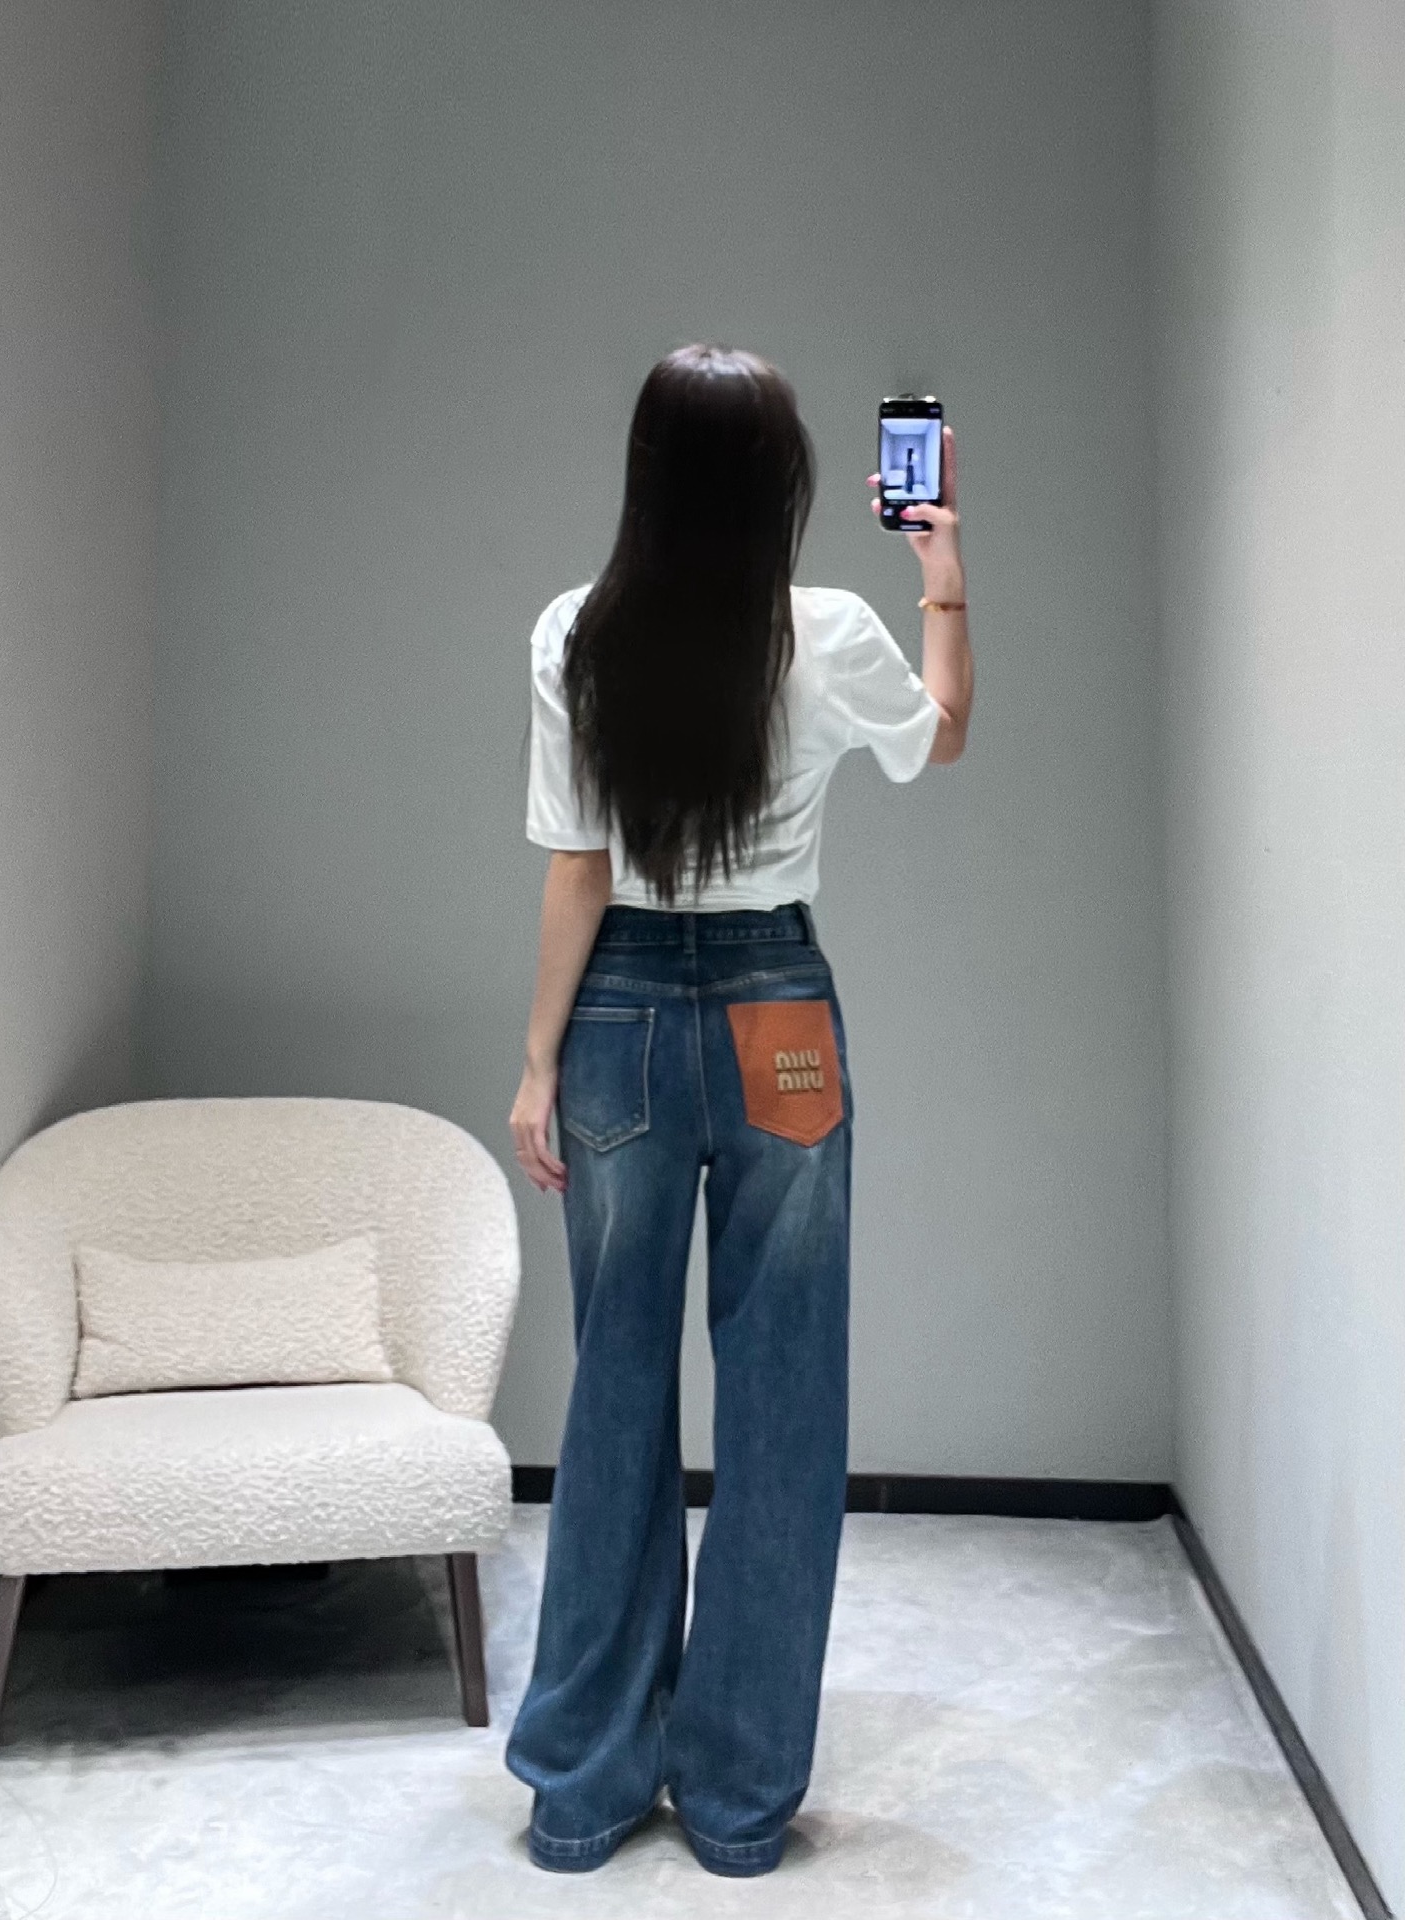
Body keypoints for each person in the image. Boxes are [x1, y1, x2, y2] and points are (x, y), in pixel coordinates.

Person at [503, 342, 973, 1878]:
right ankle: (740, 1800)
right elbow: (940, 735)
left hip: (623, 1016)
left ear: (645, 473)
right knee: (784, 1400)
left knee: (614, 1390)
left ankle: (582, 1791)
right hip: (779, 1011)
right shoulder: (827, 631)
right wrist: (943, 577)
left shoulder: (577, 632)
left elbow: (580, 866)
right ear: (782, 484)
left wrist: (538, 1063)